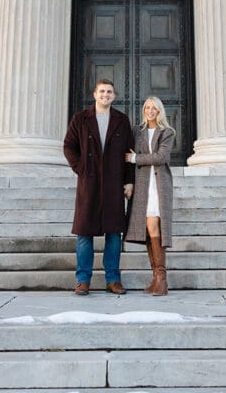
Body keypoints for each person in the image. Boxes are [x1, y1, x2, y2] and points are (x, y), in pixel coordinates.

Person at [63, 79, 134, 295]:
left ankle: (113, 279)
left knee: (114, 233)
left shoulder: (121, 120)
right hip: (89, 182)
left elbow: (129, 153)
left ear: (114, 95)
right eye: (102, 91)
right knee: (85, 233)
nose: (105, 95)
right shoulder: (81, 119)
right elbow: (69, 146)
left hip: (114, 183)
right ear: (94, 94)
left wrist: (129, 181)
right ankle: (83, 280)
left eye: (109, 92)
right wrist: (81, 168)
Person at [125, 96, 175, 296]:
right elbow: (126, 154)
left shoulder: (167, 132)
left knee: (154, 224)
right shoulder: (137, 131)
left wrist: (136, 158)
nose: (150, 111)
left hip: (158, 184)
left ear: (160, 111)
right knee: (147, 228)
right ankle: (156, 278)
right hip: (142, 183)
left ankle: (162, 279)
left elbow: (161, 158)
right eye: (147, 107)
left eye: (154, 108)